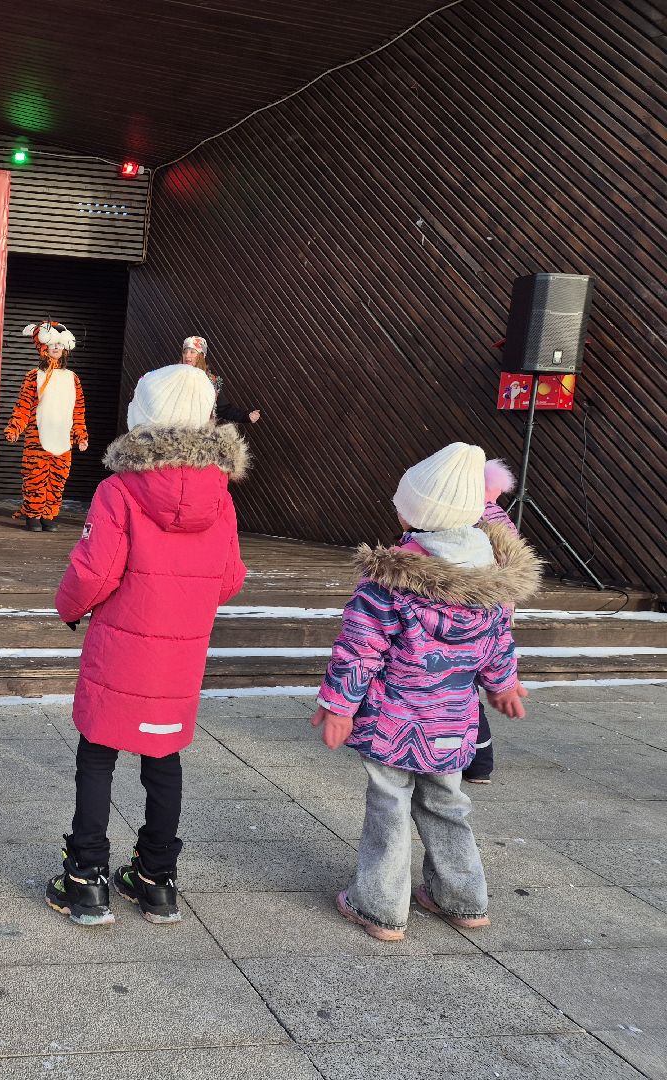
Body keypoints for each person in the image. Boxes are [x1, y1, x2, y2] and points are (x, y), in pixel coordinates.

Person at [312, 442, 539, 942]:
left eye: (403, 501)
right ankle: (463, 898)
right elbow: (498, 641)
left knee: (390, 803)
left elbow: (360, 649)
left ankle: (380, 906)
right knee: (447, 802)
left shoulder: (389, 581)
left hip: (394, 718)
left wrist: (338, 705)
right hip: (452, 720)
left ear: (417, 515)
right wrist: (503, 685)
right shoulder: (491, 582)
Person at [50, 365, 248, 925]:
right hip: (180, 656)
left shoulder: (120, 489)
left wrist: (69, 609)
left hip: (120, 650)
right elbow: (230, 577)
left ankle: (85, 879)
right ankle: (156, 879)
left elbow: (94, 572)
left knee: (97, 755)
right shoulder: (221, 495)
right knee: (163, 760)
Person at [463, 458, 521, 784]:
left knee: (464, 687)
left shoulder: (476, 519)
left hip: (476, 610)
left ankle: (478, 761)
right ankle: (479, 762)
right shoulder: (502, 519)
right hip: (497, 611)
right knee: (470, 684)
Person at [4, 320, 88, 531]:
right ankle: (33, 514)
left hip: (63, 438)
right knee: (35, 477)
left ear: (65, 348)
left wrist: (81, 435)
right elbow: (23, 406)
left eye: (60, 344)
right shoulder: (34, 376)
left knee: (57, 480)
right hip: (38, 436)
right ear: (44, 348)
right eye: (53, 345)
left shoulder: (73, 378)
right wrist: (15, 427)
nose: (56, 348)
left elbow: (78, 411)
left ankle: (48, 515)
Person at [180, 335, 260, 426]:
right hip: (173, 432)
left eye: (192, 352)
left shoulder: (212, 382)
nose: (187, 356)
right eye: (185, 352)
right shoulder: (173, 377)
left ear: (201, 356)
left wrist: (246, 416)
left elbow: (224, 410)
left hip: (200, 433)